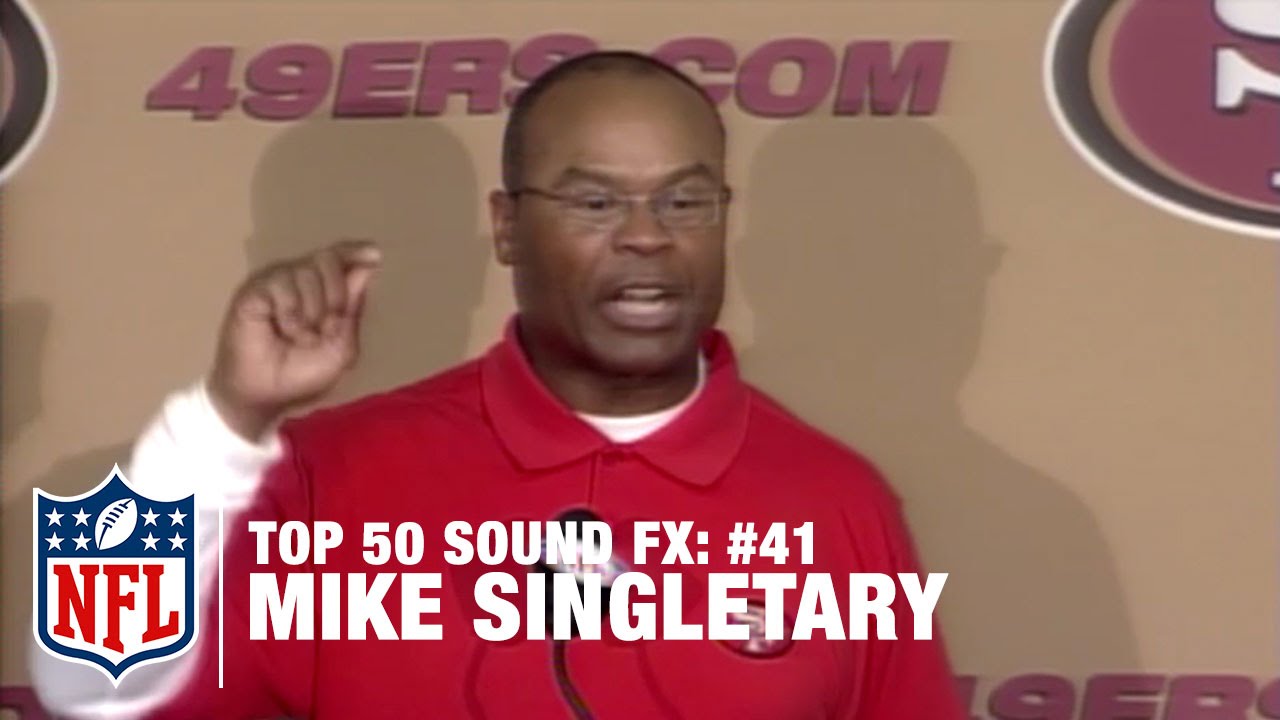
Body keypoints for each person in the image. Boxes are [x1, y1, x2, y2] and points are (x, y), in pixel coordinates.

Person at [31, 51, 967, 719]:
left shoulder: (839, 501)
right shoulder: (325, 476)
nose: (648, 236)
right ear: (508, 228)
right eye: (595, 202)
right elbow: (87, 687)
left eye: (685, 201)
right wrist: (227, 417)